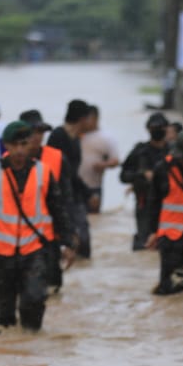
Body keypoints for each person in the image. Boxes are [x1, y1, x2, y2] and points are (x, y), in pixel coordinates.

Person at [0, 121, 77, 332]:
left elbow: (58, 210)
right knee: (4, 312)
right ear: (6, 145)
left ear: (30, 144)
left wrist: (68, 243)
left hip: (33, 249)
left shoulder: (43, 172)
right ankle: (7, 355)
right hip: (1, 252)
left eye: (24, 144)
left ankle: (30, 350)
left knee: (34, 299)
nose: (19, 150)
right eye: (14, 145)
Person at [144, 130, 183, 295]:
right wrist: (152, 231)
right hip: (170, 236)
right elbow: (153, 202)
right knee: (168, 286)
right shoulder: (163, 168)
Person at [20, 109, 76, 292]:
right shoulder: (7, 162)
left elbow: (67, 201)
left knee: (52, 289)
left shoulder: (57, 159)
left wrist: (69, 239)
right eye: (32, 132)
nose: (37, 137)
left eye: (40, 132)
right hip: (17, 238)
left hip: (49, 237)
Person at [47, 99, 93, 259]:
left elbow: (73, 172)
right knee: (68, 238)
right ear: (82, 119)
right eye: (89, 118)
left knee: (83, 242)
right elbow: (53, 171)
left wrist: (86, 192)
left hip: (75, 195)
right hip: (61, 198)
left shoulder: (76, 138)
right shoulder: (58, 136)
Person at [121, 112, 172, 250]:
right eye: (154, 127)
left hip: (168, 204)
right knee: (144, 244)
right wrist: (141, 174)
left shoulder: (173, 152)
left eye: (161, 127)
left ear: (167, 129)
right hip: (144, 203)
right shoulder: (140, 151)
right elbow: (123, 176)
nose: (157, 130)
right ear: (148, 129)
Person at [76, 104, 120, 214]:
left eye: (87, 118)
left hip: (93, 187)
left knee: (93, 217)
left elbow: (115, 161)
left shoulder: (106, 138)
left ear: (95, 118)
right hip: (75, 186)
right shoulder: (76, 135)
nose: (85, 121)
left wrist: (103, 165)